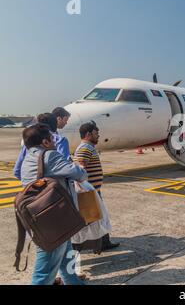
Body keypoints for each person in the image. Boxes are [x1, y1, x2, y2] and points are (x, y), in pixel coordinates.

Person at [20, 124, 87, 285]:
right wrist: (79, 166)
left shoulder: (28, 158)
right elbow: (80, 174)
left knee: (67, 260)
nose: (55, 142)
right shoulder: (49, 155)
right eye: (52, 139)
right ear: (45, 142)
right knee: (44, 273)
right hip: (54, 221)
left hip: (43, 217)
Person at [74, 122, 120, 251]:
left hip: (94, 190)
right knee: (94, 219)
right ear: (88, 134)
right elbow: (80, 169)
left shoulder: (88, 147)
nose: (98, 136)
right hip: (90, 191)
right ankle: (92, 244)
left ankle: (103, 242)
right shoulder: (85, 148)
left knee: (99, 217)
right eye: (96, 133)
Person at [14, 112, 70, 180]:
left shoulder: (29, 141)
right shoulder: (60, 140)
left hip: (30, 187)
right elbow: (64, 167)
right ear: (55, 124)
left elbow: (17, 170)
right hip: (53, 187)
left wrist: (30, 182)